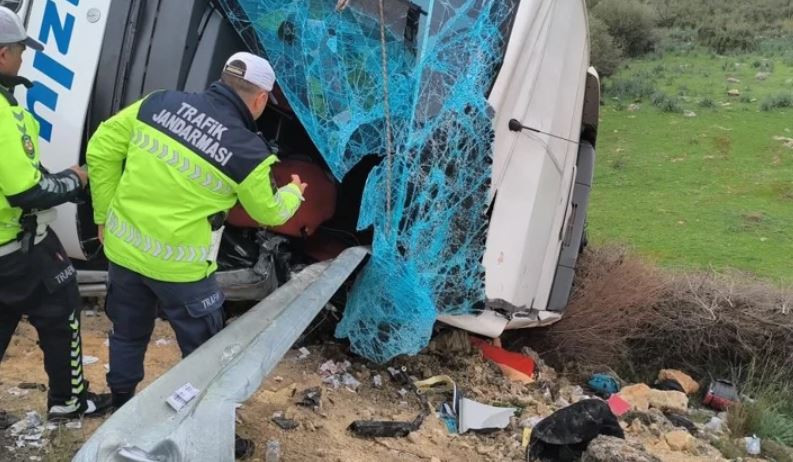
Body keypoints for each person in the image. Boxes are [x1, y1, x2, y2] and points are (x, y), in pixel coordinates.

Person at [87, 52, 307, 458]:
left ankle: (120, 408)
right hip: (181, 271)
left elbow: (101, 148)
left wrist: (103, 214)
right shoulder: (248, 151)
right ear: (260, 99)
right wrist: (295, 190)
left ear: (221, 80)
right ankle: (207, 428)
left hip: (123, 252)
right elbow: (268, 212)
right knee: (205, 355)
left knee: (127, 334)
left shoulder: (157, 103)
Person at [0, 6, 111, 421]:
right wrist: (73, 181)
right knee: (61, 304)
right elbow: (26, 191)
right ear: (1, 55)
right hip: (17, 245)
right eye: (19, 50)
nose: (24, 58)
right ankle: (69, 401)